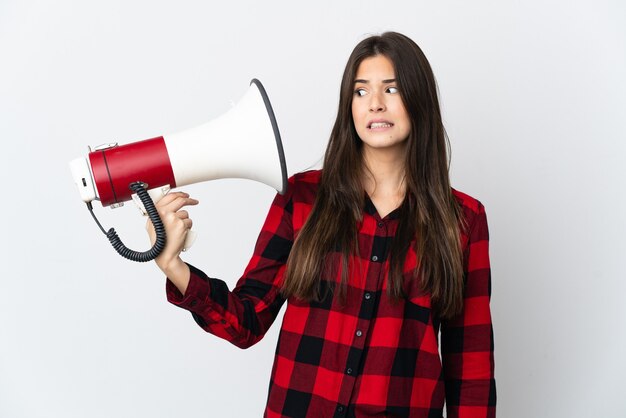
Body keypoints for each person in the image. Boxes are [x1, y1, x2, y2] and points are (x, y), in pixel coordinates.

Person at [148, 31, 496, 418]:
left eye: (392, 90)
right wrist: (173, 266)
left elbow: (472, 369)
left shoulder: (464, 219)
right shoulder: (301, 198)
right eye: (361, 92)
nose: (375, 105)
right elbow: (246, 322)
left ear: (419, 100)